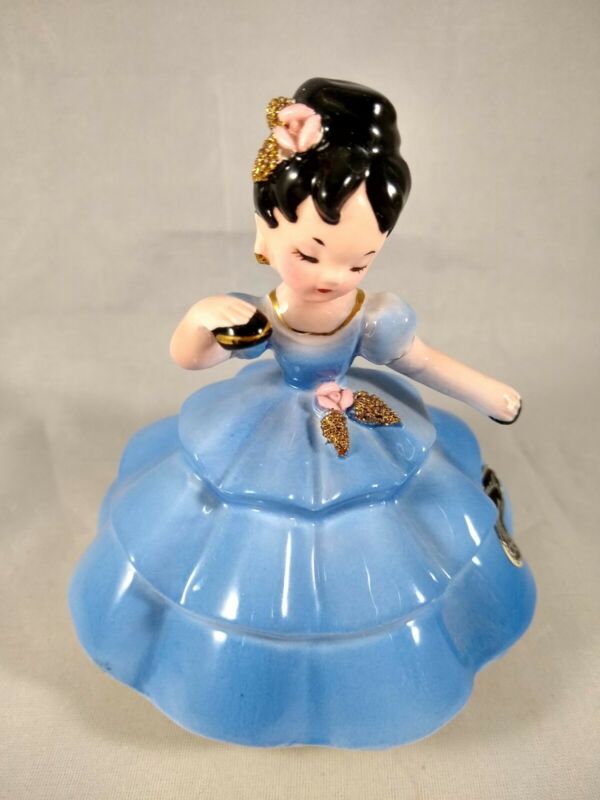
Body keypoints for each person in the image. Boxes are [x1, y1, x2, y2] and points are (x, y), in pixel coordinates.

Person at [69, 78, 536, 749]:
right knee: (234, 547)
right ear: (265, 231)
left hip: (357, 424)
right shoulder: (262, 315)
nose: (331, 276)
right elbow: (191, 358)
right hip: (263, 431)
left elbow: (421, 362)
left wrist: (488, 393)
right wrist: (200, 317)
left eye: (359, 261)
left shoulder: (370, 317)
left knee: (389, 546)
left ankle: (377, 683)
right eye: (311, 253)